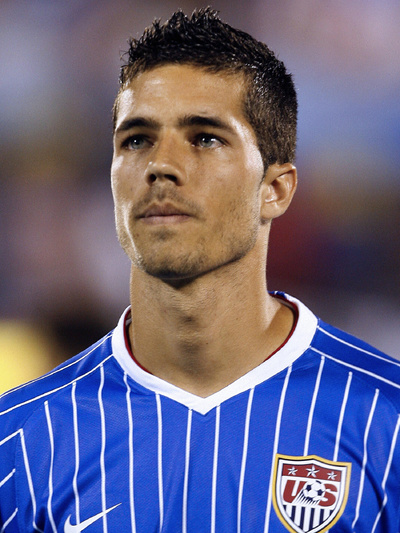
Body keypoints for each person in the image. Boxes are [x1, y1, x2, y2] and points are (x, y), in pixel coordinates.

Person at [0, 8, 399, 533]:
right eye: (136, 139)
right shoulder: (20, 440)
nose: (161, 166)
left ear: (275, 189)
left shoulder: (384, 421)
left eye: (206, 138)